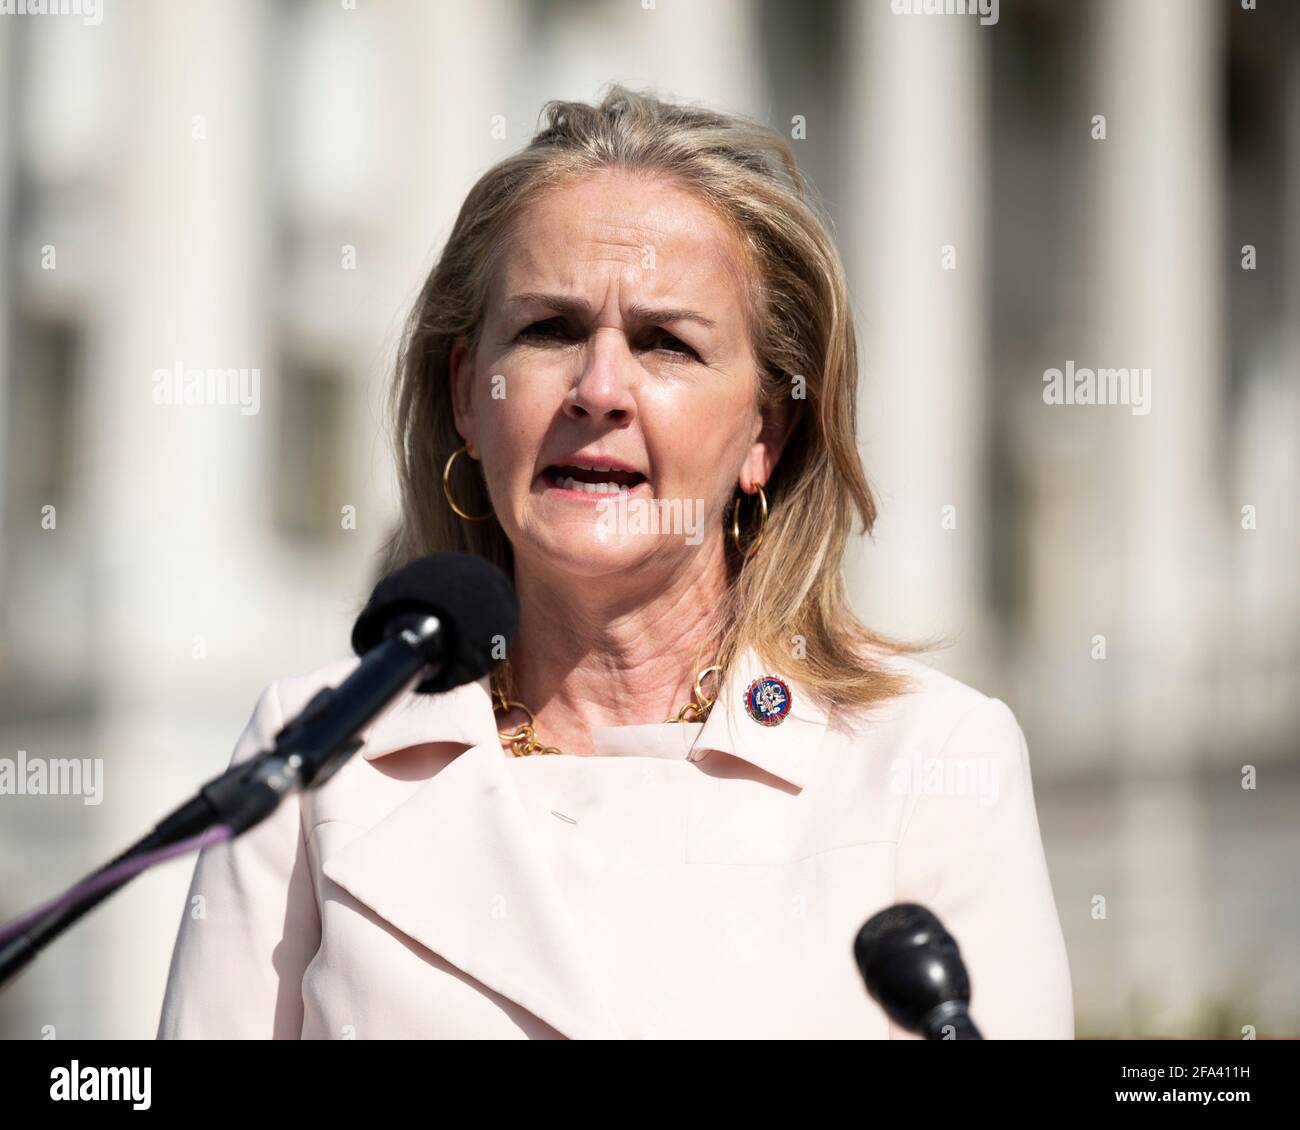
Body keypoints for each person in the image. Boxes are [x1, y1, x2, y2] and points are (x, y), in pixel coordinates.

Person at [157, 85, 1073, 1039]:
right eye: (549, 331)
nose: (598, 390)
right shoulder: (316, 757)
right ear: (468, 393)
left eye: (664, 343)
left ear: (768, 429)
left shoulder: (931, 762)